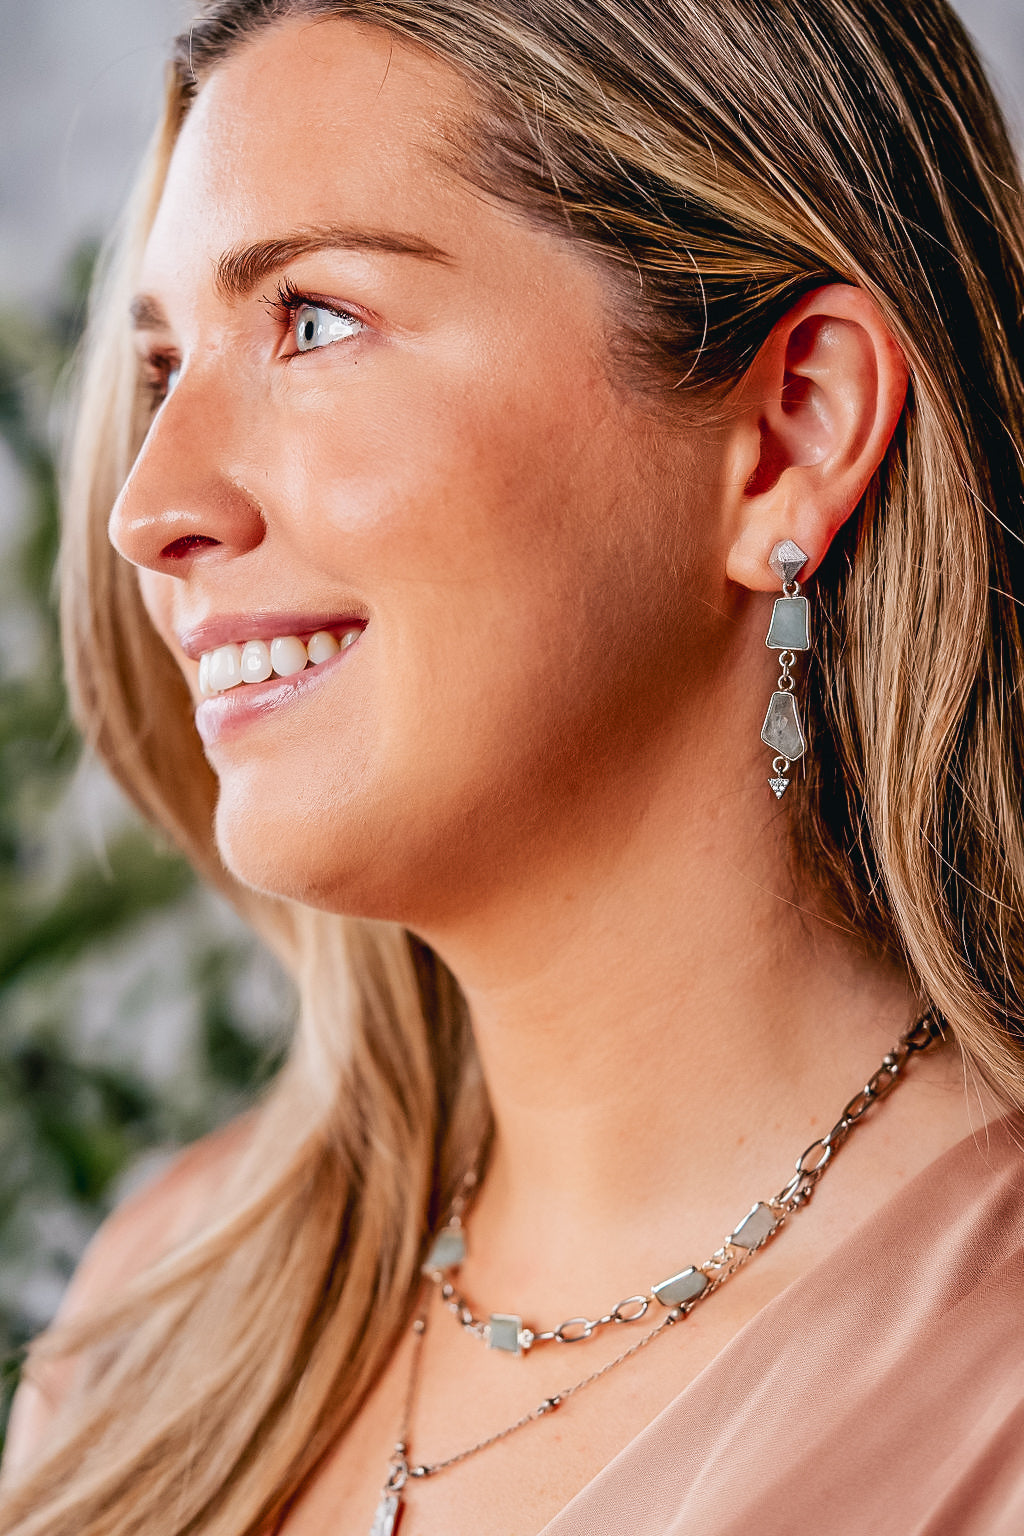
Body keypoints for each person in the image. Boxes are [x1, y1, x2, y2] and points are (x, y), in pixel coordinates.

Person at [3, 0, 1024, 1530]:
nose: (150, 508)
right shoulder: (156, 1311)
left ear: (790, 432)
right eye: (160, 367)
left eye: (314, 318)